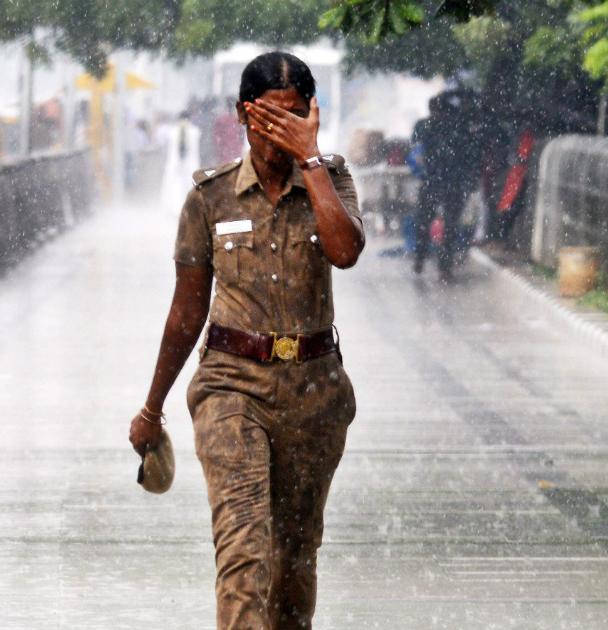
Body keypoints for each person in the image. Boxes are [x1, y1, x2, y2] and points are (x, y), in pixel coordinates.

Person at [128, 51, 365, 630]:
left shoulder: (330, 180)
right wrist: (152, 407)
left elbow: (346, 251)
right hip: (232, 387)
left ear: (311, 114)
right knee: (244, 551)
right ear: (241, 113)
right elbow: (186, 312)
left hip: (315, 392)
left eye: (292, 115)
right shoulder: (210, 199)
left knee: (293, 557)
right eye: (265, 116)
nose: (276, 129)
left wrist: (308, 159)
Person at [411, 89, 482, 280]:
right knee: (449, 223)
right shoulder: (460, 126)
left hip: (435, 180)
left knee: (426, 220)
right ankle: (443, 264)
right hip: (453, 181)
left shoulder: (428, 125)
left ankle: (422, 257)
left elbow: (416, 144)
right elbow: (472, 154)